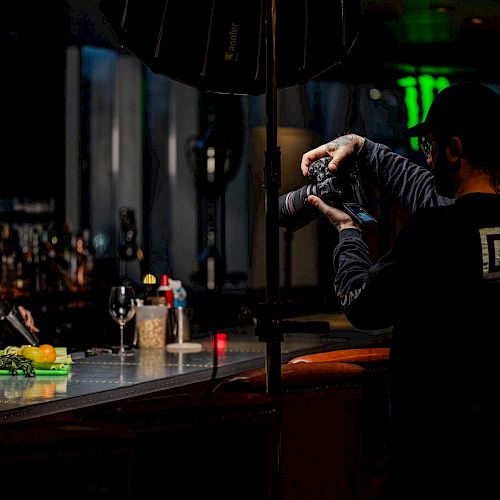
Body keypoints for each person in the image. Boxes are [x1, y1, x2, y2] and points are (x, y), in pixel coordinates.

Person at [300, 82, 500, 499]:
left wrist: (348, 231)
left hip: (437, 464)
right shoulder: (453, 220)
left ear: (454, 150)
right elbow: (434, 196)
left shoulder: (433, 232)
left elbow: (362, 303)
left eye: (430, 146)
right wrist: (363, 148)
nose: (426, 159)